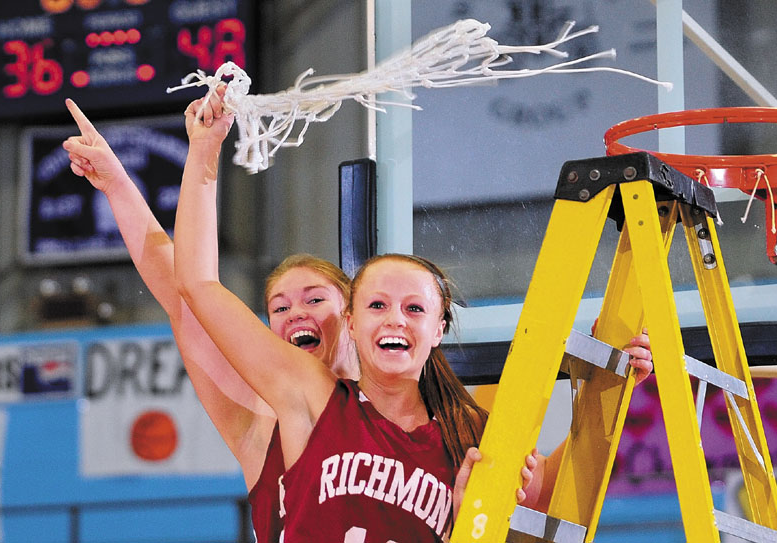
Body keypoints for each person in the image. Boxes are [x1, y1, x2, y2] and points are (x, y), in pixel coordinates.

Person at [172, 90, 652, 540]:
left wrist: (612, 386)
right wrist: (204, 152)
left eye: (414, 308)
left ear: (437, 329)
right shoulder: (312, 397)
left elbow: (560, 494)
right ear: (353, 324)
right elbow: (196, 285)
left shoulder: (475, 432)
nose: (395, 320)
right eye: (377, 306)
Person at [61, 97, 358, 543]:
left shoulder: (403, 406)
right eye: (280, 307)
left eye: (314, 299)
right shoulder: (260, 420)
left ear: (353, 315)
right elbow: (186, 296)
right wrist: (118, 185)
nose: (296, 312)